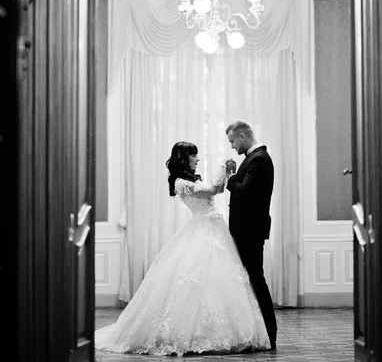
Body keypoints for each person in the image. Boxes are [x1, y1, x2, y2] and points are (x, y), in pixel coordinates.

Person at [95, 141, 270, 356]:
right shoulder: (180, 183)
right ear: (184, 158)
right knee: (193, 281)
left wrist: (228, 174)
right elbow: (210, 190)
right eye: (193, 156)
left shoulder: (191, 179)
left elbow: (218, 189)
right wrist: (222, 167)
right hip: (202, 229)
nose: (197, 159)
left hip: (214, 230)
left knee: (218, 281)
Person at [225, 121, 277, 350]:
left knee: (256, 280)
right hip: (247, 229)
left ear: (243, 136)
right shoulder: (255, 157)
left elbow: (243, 192)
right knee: (253, 280)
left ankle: (269, 333)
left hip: (250, 231)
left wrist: (231, 177)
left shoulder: (259, 159)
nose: (232, 147)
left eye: (232, 141)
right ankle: (260, 332)